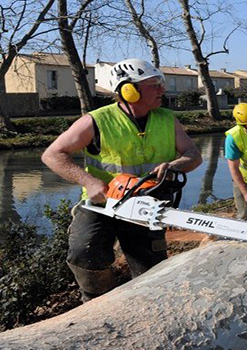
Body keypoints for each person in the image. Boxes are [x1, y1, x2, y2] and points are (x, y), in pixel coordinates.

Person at [41, 58, 203, 302]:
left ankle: (148, 304)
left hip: (147, 205)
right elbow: (52, 154)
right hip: (102, 203)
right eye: (154, 85)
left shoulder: (168, 119)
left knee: (151, 269)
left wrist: (174, 165)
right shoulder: (96, 120)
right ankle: (96, 300)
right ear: (129, 89)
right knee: (84, 252)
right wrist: (88, 182)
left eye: (160, 84)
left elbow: (193, 155)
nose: (162, 90)